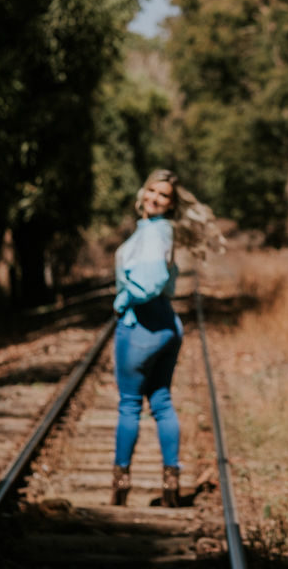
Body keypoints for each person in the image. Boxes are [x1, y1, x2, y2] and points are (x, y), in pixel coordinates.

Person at [111, 169, 185, 507]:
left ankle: (120, 486)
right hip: (168, 325)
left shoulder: (154, 233)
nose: (155, 198)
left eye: (163, 195)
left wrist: (123, 299)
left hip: (141, 326)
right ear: (143, 192)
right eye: (152, 191)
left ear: (170, 204)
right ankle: (171, 485)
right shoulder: (162, 231)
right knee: (162, 402)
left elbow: (152, 281)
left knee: (129, 404)